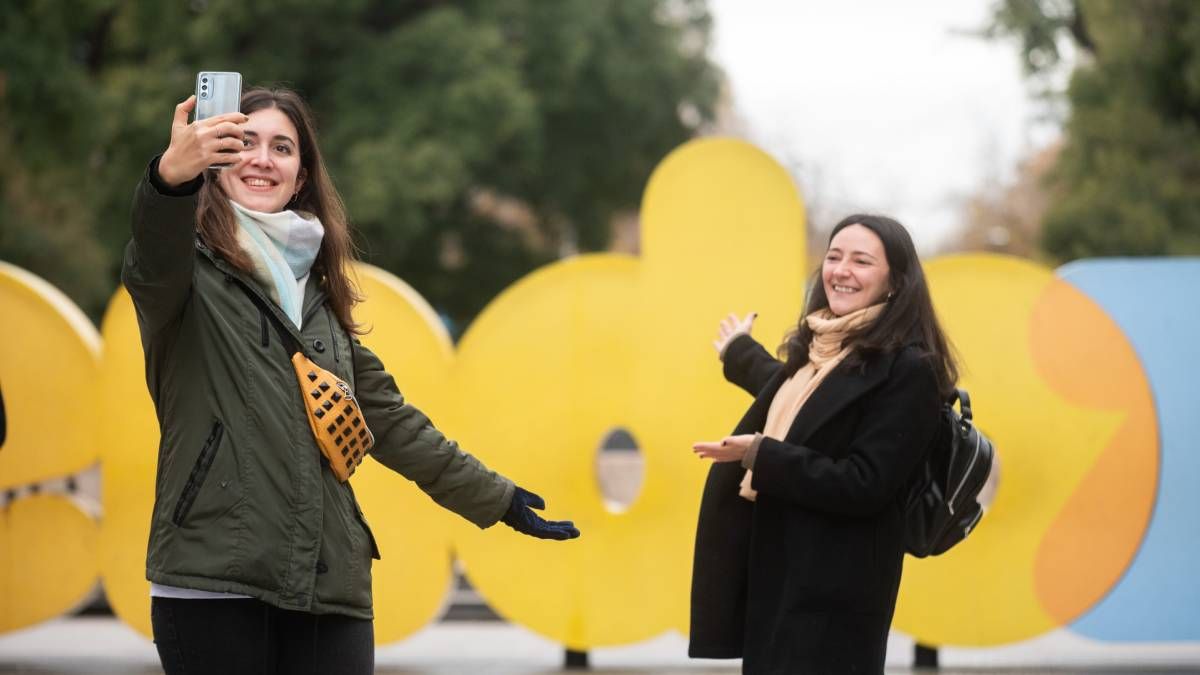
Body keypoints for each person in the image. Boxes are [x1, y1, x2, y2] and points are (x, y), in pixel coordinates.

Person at [123, 87, 579, 675]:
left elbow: (391, 421)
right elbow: (153, 248)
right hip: (216, 582)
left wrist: (499, 498)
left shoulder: (318, 295)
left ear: (302, 174)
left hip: (328, 581)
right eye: (245, 142)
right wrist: (168, 179)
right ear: (215, 161)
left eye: (282, 148)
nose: (263, 158)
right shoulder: (180, 275)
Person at [687, 215, 958, 674]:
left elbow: (866, 482)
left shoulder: (910, 370)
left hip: (836, 597)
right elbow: (803, 400)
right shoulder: (821, 354)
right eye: (833, 257)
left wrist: (761, 453)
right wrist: (738, 352)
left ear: (895, 281)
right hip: (779, 580)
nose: (841, 270)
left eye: (861, 260)